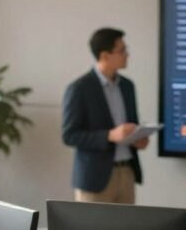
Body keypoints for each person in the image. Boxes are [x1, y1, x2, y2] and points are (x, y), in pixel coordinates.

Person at [62, 27, 148, 204]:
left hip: (126, 172)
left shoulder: (127, 86)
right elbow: (69, 135)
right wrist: (109, 136)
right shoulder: (79, 89)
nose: (127, 54)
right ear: (104, 56)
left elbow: (131, 125)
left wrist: (138, 138)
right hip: (94, 178)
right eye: (122, 50)